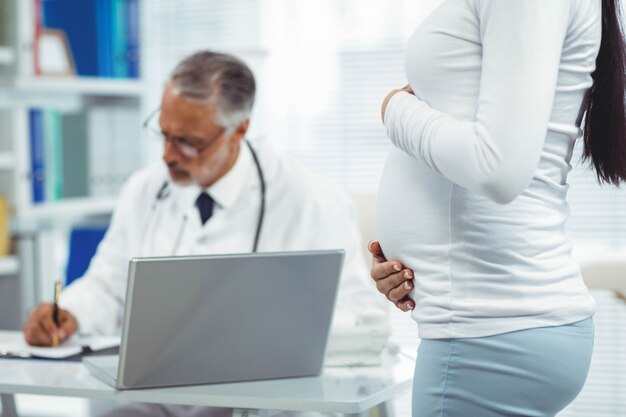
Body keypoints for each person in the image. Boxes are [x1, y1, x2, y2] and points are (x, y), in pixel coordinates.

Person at [22, 51, 382, 417]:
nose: (167, 155)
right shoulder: (144, 190)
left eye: (188, 142)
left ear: (239, 128)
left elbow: (360, 319)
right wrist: (69, 312)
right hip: (157, 392)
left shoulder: (312, 200)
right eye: (163, 133)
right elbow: (108, 286)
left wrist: (268, 340)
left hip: (261, 397)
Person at [369, 0, 626, 416]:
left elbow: (497, 169)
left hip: (490, 335)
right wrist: (423, 270)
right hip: (492, 325)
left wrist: (394, 109)